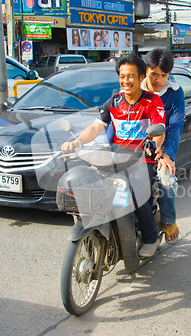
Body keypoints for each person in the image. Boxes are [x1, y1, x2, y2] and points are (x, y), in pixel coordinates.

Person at [61, 54, 166, 258]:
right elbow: (95, 126)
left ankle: (150, 239)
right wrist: (77, 142)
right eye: (122, 76)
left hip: (142, 159)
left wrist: (153, 145)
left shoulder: (153, 101)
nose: (126, 81)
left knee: (137, 194)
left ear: (141, 77)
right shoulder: (114, 102)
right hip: (115, 158)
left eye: (131, 76)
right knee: (94, 187)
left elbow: (159, 129)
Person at [143, 48, 185, 244]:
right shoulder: (135, 89)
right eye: (154, 75)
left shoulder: (175, 94)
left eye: (163, 75)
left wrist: (167, 153)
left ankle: (168, 221)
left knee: (166, 180)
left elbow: (175, 127)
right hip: (133, 150)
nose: (158, 80)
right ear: (146, 70)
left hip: (162, 150)